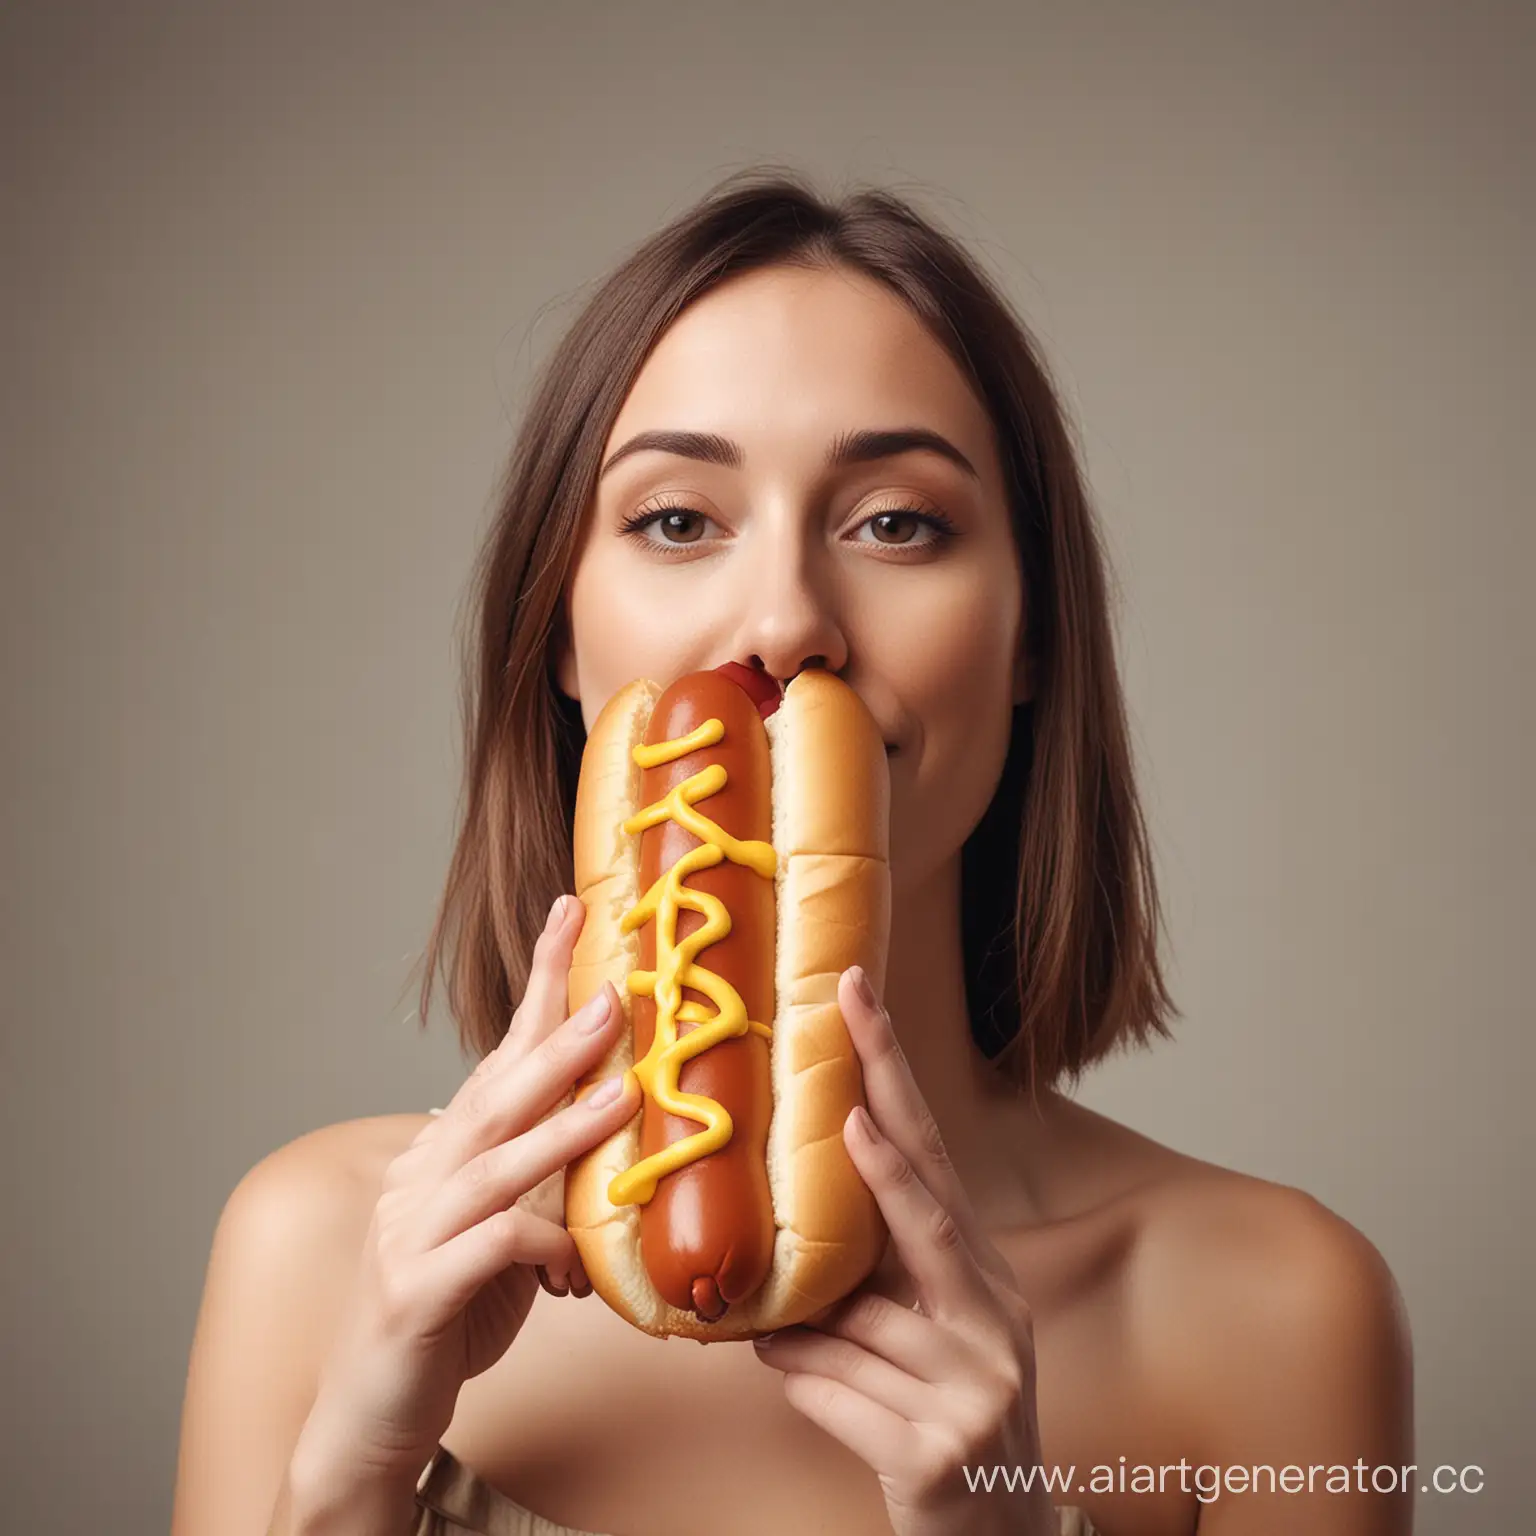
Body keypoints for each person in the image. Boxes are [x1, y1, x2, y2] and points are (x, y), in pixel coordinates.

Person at [171, 171, 1413, 1536]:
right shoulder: (317, 1249)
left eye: (895, 522)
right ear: (565, 640)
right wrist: (343, 1486)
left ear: (1031, 636)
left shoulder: (1279, 1313)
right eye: (677, 520)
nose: (781, 623)